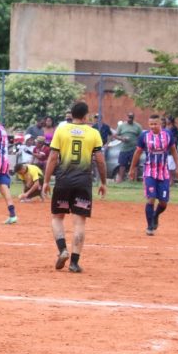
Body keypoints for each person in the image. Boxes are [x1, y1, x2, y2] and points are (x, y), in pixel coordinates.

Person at [42, 101, 107, 273]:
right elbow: (100, 160)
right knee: (79, 222)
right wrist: (103, 182)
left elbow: (53, 157)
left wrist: (46, 181)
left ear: (71, 114)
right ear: (86, 116)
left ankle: (62, 250)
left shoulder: (61, 130)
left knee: (57, 217)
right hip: (83, 182)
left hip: (63, 180)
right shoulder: (93, 133)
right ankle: (74, 262)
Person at [128, 114, 178, 236]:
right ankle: (150, 226)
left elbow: (173, 150)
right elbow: (137, 153)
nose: (153, 126)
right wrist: (132, 169)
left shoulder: (167, 135)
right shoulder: (144, 136)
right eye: (150, 124)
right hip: (149, 172)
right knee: (151, 198)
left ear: (160, 124)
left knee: (163, 202)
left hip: (163, 173)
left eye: (155, 124)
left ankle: (156, 215)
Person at [114, 112, 142, 183]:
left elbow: (141, 137)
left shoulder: (138, 126)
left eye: (131, 117)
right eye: (129, 117)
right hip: (124, 149)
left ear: (133, 118)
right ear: (126, 117)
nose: (130, 119)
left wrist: (139, 146)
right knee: (122, 165)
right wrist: (122, 138)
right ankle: (120, 180)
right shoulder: (122, 126)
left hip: (134, 149)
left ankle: (133, 181)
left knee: (135, 165)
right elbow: (115, 135)